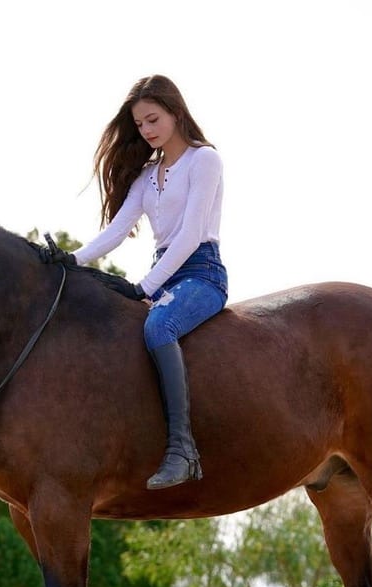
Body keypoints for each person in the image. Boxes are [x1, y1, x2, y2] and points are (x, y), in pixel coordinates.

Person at [40, 74, 228, 490]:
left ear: (176, 113)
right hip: (165, 277)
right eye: (141, 124)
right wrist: (72, 259)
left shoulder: (204, 161)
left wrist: (145, 287)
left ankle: (182, 450)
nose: (146, 130)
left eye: (153, 119)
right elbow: (117, 230)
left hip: (201, 274)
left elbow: (191, 235)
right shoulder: (147, 175)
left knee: (159, 325)